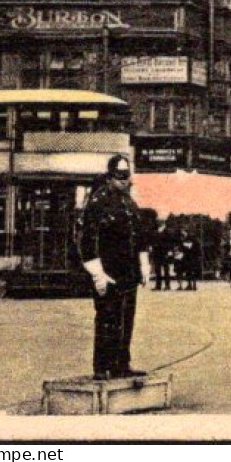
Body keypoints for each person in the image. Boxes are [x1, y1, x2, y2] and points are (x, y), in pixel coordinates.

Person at [78, 154, 147, 381]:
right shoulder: (98, 203)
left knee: (127, 319)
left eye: (127, 177)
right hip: (108, 272)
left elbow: (140, 236)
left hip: (129, 273)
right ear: (109, 177)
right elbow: (87, 240)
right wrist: (97, 273)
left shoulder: (130, 203)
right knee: (107, 319)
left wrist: (143, 264)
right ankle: (102, 366)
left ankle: (122, 364)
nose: (124, 181)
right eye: (119, 177)